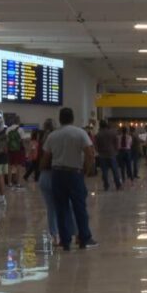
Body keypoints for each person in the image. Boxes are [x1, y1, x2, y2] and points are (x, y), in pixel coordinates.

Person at [42, 107, 98, 251]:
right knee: (79, 207)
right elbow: (90, 154)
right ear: (72, 118)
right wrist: (86, 170)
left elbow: (45, 158)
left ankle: (65, 241)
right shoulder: (80, 133)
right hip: (75, 173)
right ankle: (84, 239)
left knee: (61, 208)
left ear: (60, 119)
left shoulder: (53, 135)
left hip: (57, 174)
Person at [37, 118, 60, 245]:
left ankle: (54, 235)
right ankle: (66, 233)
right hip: (58, 173)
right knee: (63, 205)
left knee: (51, 207)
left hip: (45, 174)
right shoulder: (56, 138)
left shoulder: (42, 139)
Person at [95, 120, 122, 191]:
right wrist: (116, 150)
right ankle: (118, 185)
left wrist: (99, 151)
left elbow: (96, 145)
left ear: (100, 126)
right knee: (115, 171)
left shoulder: (98, 134)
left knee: (104, 171)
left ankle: (106, 185)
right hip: (112, 154)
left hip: (102, 155)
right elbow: (117, 143)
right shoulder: (112, 133)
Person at [6, 116, 26, 189]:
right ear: (18, 121)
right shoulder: (20, 129)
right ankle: (18, 183)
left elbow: (7, 140)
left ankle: (9, 183)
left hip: (10, 150)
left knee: (9, 167)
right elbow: (23, 141)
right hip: (18, 150)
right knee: (18, 167)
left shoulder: (8, 129)